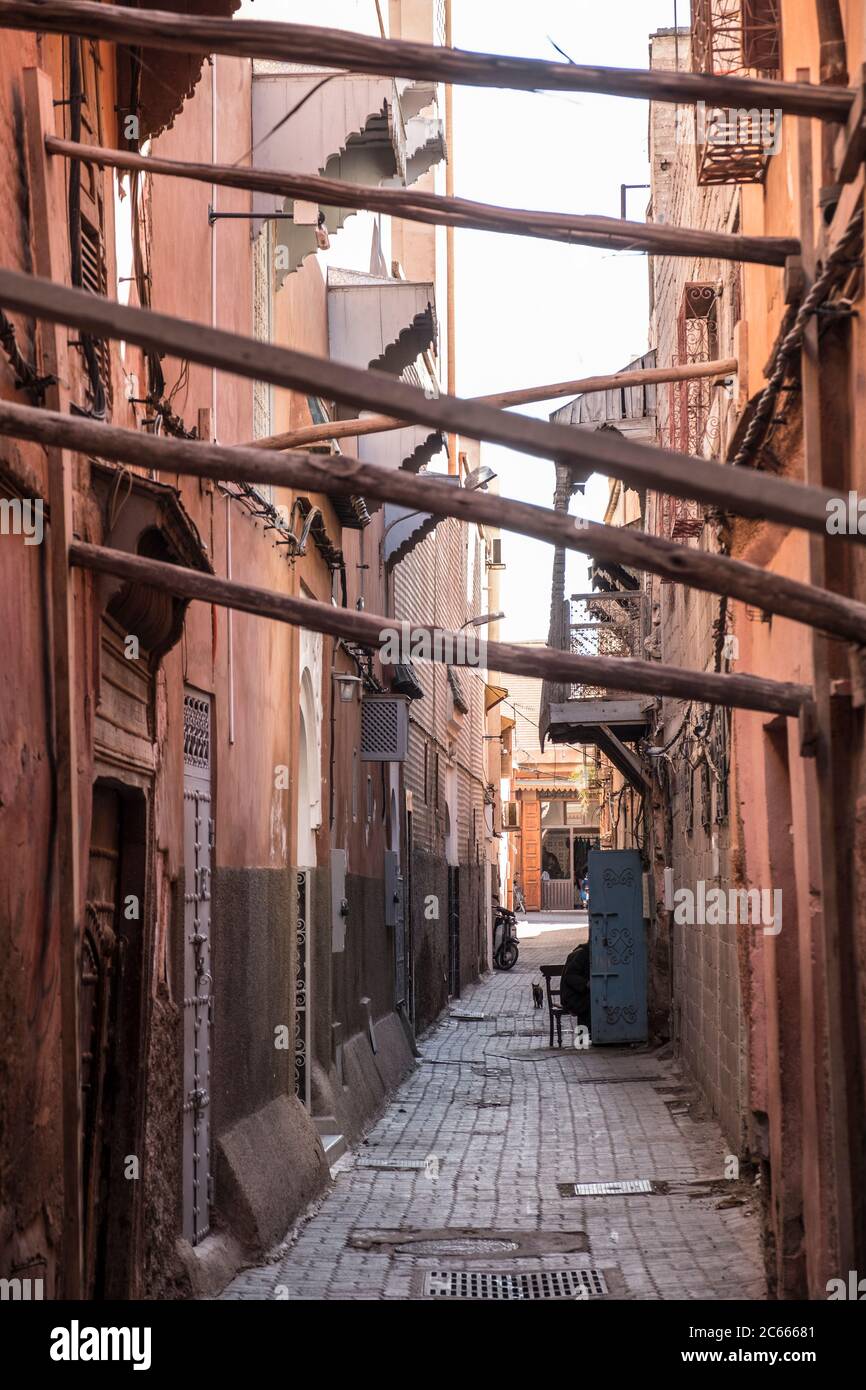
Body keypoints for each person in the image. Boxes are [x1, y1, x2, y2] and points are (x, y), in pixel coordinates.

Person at [560, 941, 590, 1029]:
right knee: (590, 1005)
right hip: (572, 997)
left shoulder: (585, 952)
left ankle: (585, 1038)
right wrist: (586, 983)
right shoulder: (581, 953)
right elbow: (570, 976)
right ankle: (583, 1039)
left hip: (579, 995)